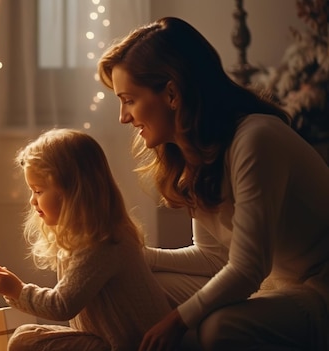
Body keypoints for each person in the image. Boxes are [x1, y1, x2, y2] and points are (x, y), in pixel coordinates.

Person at [97, 16, 329, 351]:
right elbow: (213, 257)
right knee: (132, 284)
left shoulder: (256, 139)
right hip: (273, 282)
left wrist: (176, 321)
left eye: (129, 99)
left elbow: (248, 269)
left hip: (317, 287)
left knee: (219, 328)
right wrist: (133, 257)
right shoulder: (193, 154)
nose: (123, 116)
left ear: (172, 94)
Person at [0, 128, 172, 350]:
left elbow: (61, 306)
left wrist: (16, 289)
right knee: (25, 335)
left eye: (38, 191)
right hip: (103, 338)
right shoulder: (93, 236)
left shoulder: (101, 244)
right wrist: (14, 289)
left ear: (72, 192)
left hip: (126, 346)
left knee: (23, 342)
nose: (32, 201)